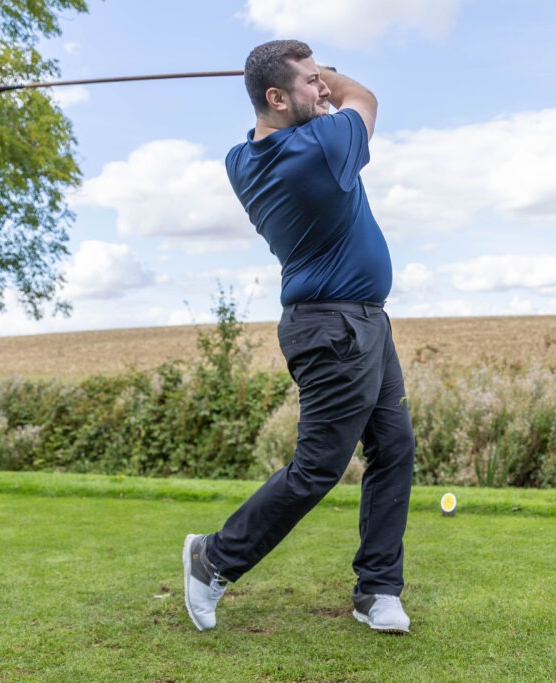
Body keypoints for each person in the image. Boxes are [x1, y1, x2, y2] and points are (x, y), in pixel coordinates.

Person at [182, 39, 416, 634]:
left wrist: (300, 81)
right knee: (317, 468)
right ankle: (212, 559)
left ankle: (378, 589)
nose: (322, 90)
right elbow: (364, 97)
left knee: (394, 447)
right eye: (310, 82)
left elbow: (274, 120)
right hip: (336, 327)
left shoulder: (241, 159)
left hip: (359, 322)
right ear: (278, 97)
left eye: (319, 80)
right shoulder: (321, 146)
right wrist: (334, 76)